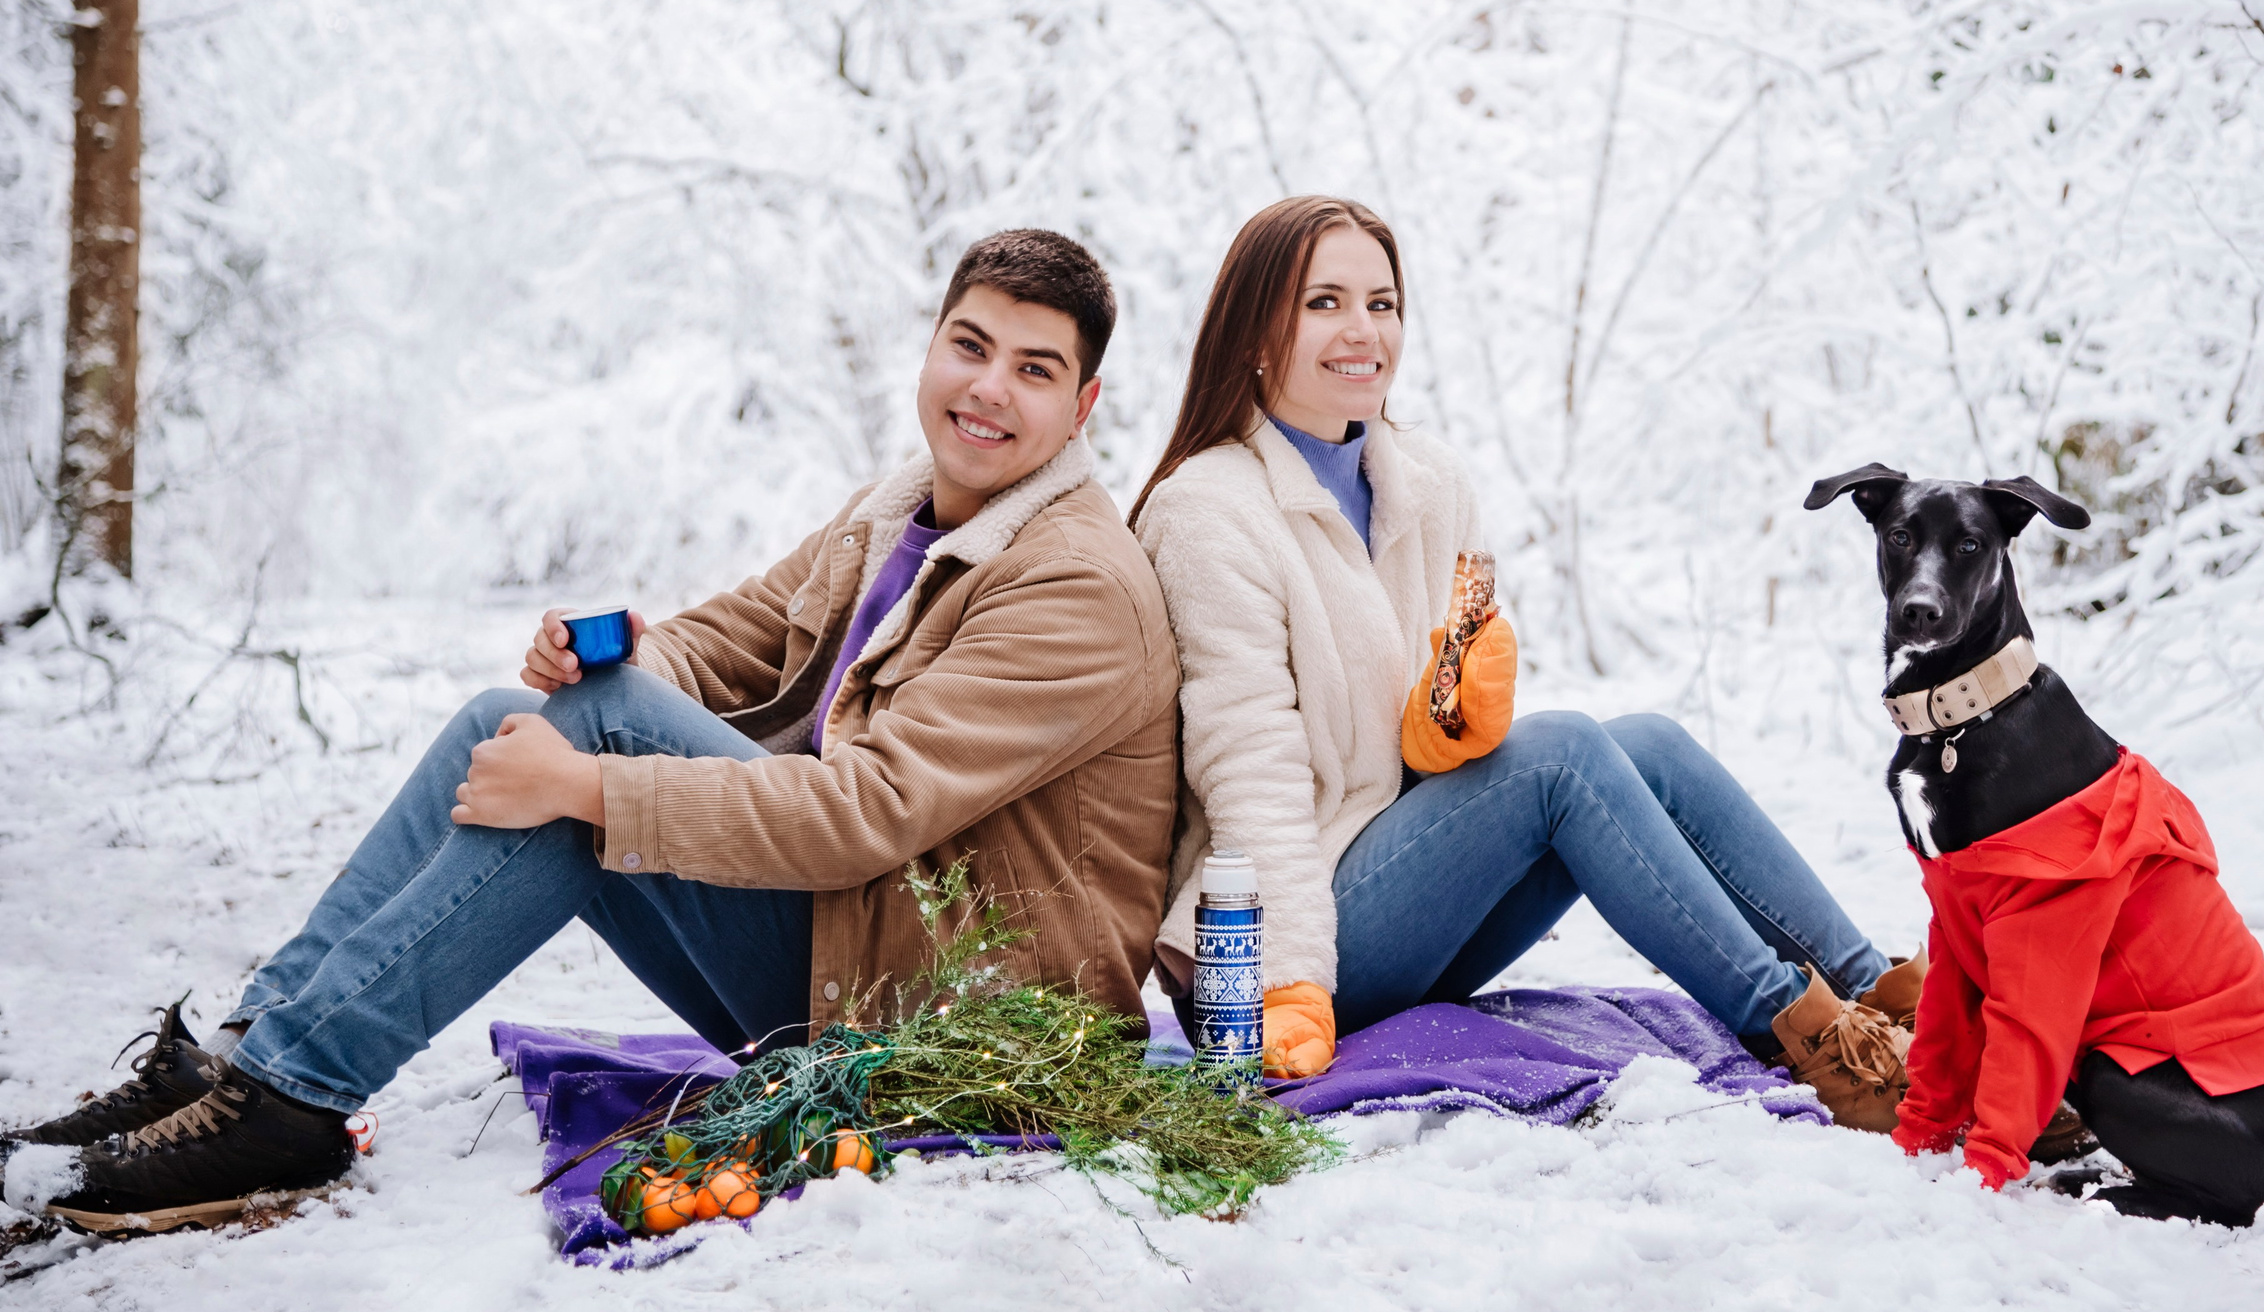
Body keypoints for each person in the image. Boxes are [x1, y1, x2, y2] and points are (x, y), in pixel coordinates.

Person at [4, 230, 1181, 1233]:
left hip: (956, 1024)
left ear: (1081, 407)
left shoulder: (1072, 582)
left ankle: (288, 1097)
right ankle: (244, 1057)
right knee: (512, 720)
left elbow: (864, 813)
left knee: (585, 770)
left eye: (1034, 370)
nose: (988, 388)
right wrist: (611, 657)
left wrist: (594, 777)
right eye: (970, 347)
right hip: (856, 949)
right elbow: (737, 635)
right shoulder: (904, 507)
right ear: (929, 348)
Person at [1131, 196, 1918, 1126]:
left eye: (1383, 304)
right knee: (1563, 755)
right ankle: (1822, 1044)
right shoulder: (1208, 511)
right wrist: (1292, 976)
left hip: (1398, 875)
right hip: (1272, 952)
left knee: (1649, 745)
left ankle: (1898, 1003)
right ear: (1255, 328)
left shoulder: (1426, 480)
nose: (1362, 331)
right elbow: (1248, 769)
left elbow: (1438, 712)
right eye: (1323, 302)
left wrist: (1450, 723)